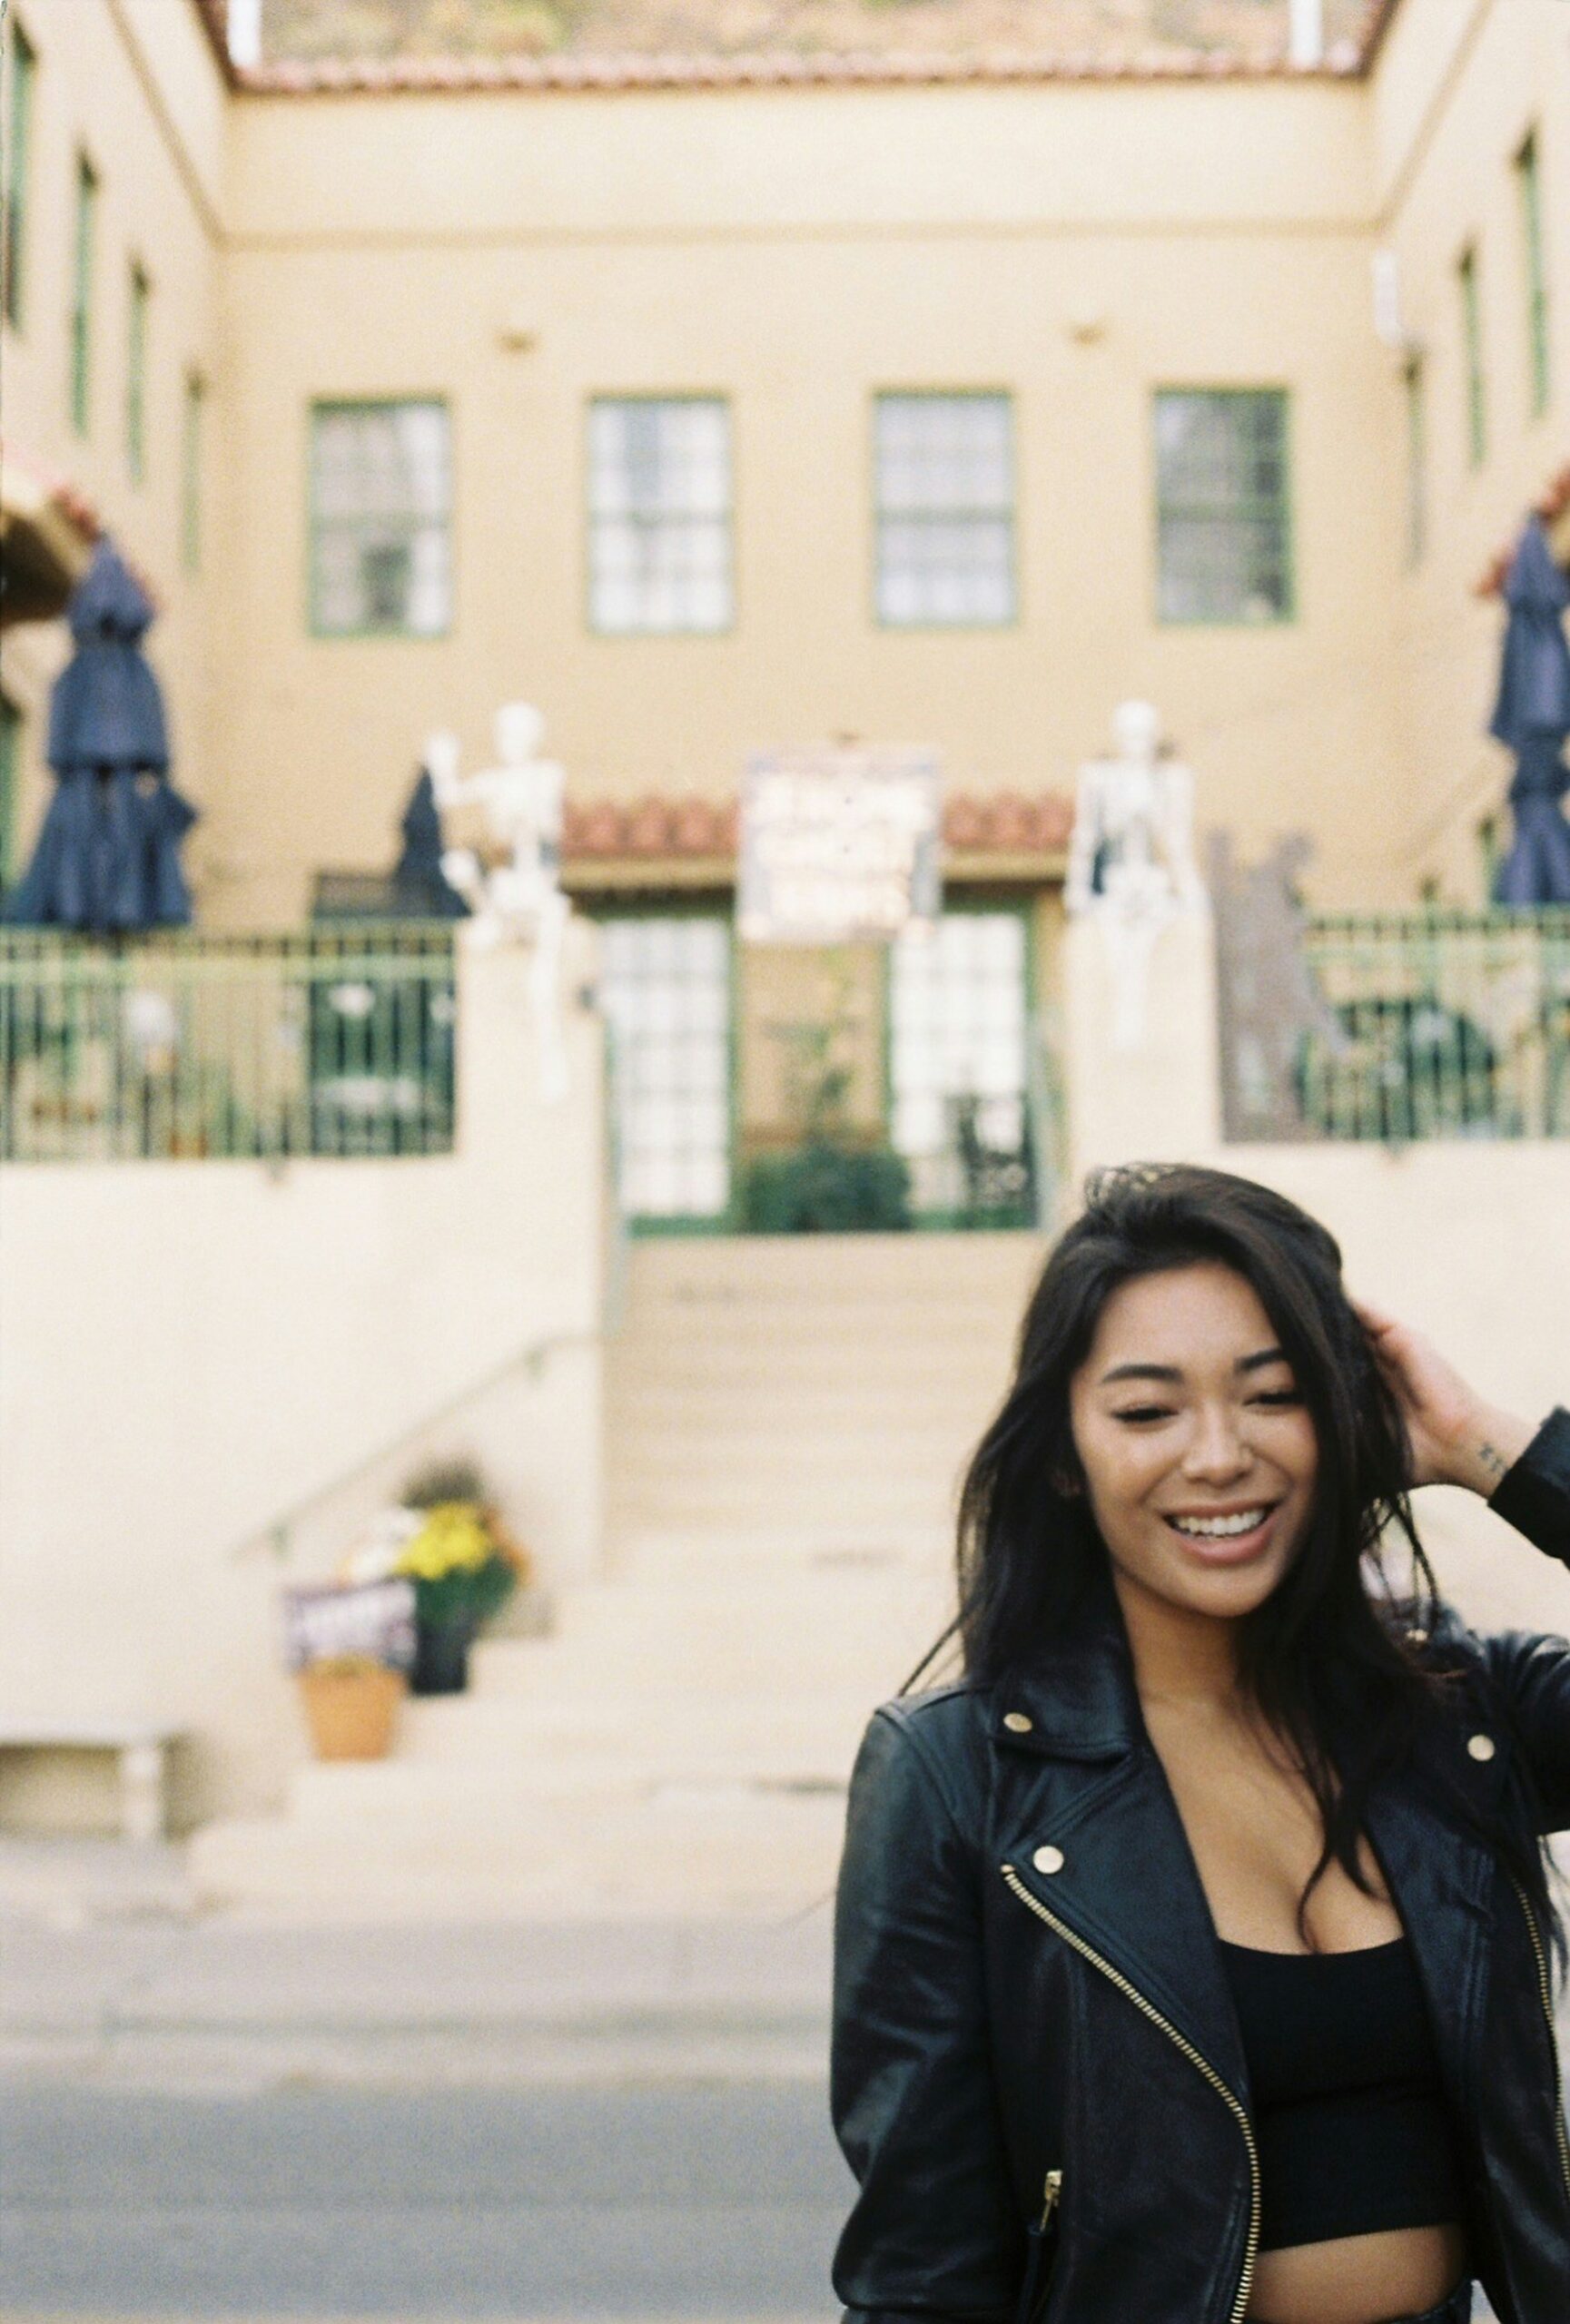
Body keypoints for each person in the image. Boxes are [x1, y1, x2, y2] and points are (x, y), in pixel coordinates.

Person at [831, 1164, 1570, 2324]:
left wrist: (1492, 1448)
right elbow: (922, 2276)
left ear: (1343, 1415)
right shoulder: (961, 1776)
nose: (1218, 1454)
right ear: (1066, 1456)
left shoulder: (1450, 1710)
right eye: (1145, 1411)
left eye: (1272, 1395)